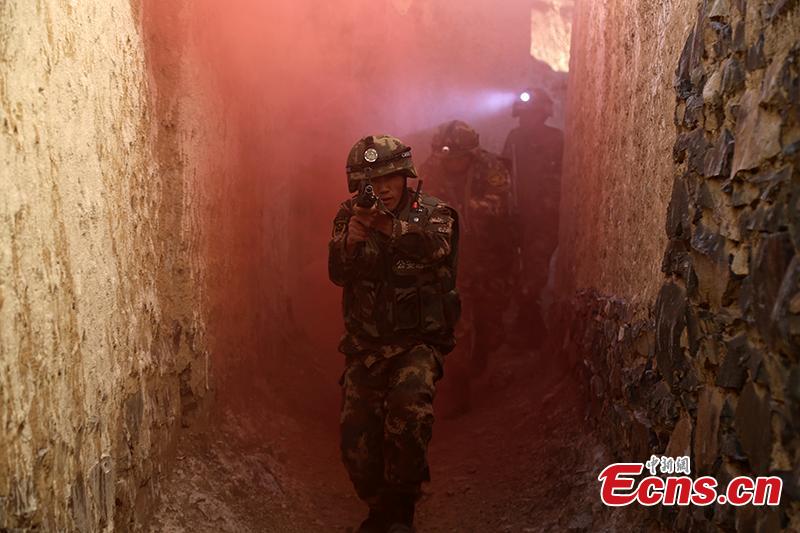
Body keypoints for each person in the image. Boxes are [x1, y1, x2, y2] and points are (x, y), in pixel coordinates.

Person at [328, 134, 461, 533]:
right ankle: (379, 505)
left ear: (405, 176)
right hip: (366, 346)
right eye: (372, 182)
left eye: (390, 178)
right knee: (356, 441)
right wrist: (349, 243)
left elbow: (436, 249)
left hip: (416, 343)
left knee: (408, 414)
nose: (382, 188)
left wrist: (387, 227)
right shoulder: (349, 214)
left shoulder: (434, 212)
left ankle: (401, 510)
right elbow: (337, 274)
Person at [419, 120, 517, 416]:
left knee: (491, 320)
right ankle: (457, 390)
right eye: (447, 157)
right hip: (452, 258)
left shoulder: (489, 166)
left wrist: (468, 208)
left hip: (491, 255)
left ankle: (483, 354)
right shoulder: (432, 168)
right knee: (457, 323)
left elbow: (501, 203)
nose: (452, 163)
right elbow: (421, 206)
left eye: (457, 158)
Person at [502, 88, 563, 345]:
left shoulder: (557, 139)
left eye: (532, 114)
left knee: (536, 269)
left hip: (546, 216)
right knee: (519, 268)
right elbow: (504, 173)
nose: (527, 120)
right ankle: (527, 325)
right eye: (524, 115)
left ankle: (531, 324)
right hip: (519, 215)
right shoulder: (514, 138)